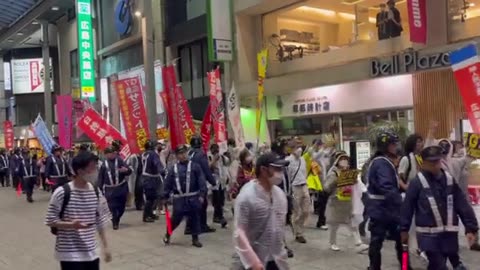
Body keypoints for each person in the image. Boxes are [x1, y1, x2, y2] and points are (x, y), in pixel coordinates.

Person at [400, 146, 479, 270]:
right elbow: (407, 207)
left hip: (449, 236)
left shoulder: (449, 180)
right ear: (423, 163)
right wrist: (403, 230)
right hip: (428, 237)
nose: (436, 165)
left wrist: (470, 228)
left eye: (437, 161)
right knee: (439, 266)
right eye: (432, 162)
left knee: (445, 263)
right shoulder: (417, 183)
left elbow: (462, 204)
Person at [45, 152, 112, 270]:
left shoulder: (96, 192)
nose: (96, 170)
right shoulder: (62, 192)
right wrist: (71, 225)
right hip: (69, 254)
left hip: (91, 252)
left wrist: (106, 247)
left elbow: (100, 221)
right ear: (80, 171)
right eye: (93, 167)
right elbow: (50, 220)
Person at [232, 153, 290, 270]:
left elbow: (279, 226)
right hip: (252, 259)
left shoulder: (279, 194)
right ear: (263, 170)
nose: (280, 173)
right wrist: (253, 262)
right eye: (277, 169)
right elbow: (239, 232)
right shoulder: (247, 197)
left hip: (276, 258)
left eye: (281, 169)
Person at [367, 132, 410, 270]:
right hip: (385, 210)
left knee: (378, 242)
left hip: (382, 210)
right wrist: (401, 202)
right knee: (399, 241)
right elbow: (387, 187)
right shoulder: (381, 163)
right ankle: (404, 267)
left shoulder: (382, 161)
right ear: (386, 146)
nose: (395, 146)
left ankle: (376, 267)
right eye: (393, 144)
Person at [162, 145, 207, 248]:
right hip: (179, 199)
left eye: (184, 153)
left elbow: (201, 180)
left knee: (195, 217)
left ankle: (195, 239)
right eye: (180, 154)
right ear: (177, 156)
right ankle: (168, 234)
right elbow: (168, 183)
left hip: (193, 197)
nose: (183, 155)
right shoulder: (173, 169)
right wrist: (165, 196)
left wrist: (202, 194)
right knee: (175, 219)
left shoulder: (195, 166)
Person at [325, 151, 368, 252]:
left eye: (346, 160)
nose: (344, 161)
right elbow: (326, 187)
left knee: (352, 223)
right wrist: (337, 180)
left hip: (347, 201)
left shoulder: (349, 172)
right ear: (337, 161)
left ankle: (358, 243)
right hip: (336, 202)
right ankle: (333, 242)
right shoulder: (333, 172)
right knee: (334, 224)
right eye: (342, 159)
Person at [98, 146, 132, 230]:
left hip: (121, 187)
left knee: (122, 206)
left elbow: (129, 171)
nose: (113, 155)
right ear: (106, 154)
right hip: (109, 189)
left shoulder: (120, 161)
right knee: (112, 206)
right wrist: (100, 189)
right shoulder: (103, 164)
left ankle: (117, 217)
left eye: (113, 153)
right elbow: (100, 177)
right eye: (110, 153)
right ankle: (115, 222)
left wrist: (126, 171)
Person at [188, 136, 217, 233]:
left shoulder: (188, 153)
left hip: (188, 183)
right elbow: (206, 169)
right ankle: (202, 226)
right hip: (199, 183)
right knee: (203, 204)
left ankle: (189, 227)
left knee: (191, 205)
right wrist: (212, 181)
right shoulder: (201, 155)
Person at [285, 144, 310, 244]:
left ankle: (298, 228)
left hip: (304, 185)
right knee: (297, 212)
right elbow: (287, 176)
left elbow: (305, 172)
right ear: (292, 150)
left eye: (300, 148)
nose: (299, 150)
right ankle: (298, 233)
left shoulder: (302, 159)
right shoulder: (288, 160)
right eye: (296, 148)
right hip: (295, 187)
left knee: (306, 211)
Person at [141, 140, 165, 223]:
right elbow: (157, 163)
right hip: (151, 178)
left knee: (152, 197)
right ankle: (146, 216)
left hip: (146, 177)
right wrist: (162, 171)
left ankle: (150, 213)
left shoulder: (144, 154)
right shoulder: (152, 154)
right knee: (151, 198)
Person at [208, 143, 229, 228]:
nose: (216, 152)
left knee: (220, 200)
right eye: (214, 150)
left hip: (221, 181)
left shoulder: (222, 157)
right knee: (216, 201)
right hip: (213, 182)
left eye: (217, 150)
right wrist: (214, 160)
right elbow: (209, 167)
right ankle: (221, 218)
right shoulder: (209, 157)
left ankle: (217, 216)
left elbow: (226, 164)